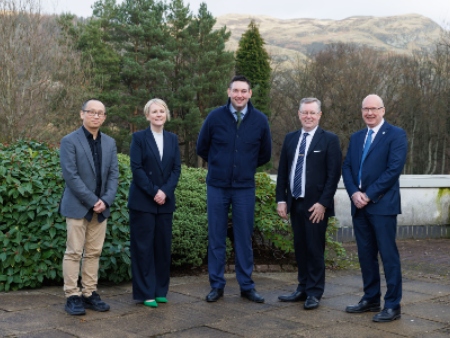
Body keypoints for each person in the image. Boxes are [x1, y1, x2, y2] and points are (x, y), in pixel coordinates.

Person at [196, 75, 272, 303]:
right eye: (236, 90)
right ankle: (216, 286)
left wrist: (244, 167)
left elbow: (265, 154)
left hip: (244, 188)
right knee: (217, 237)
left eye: (244, 91)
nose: (240, 95)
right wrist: (221, 165)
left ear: (250, 94)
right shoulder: (214, 117)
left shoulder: (260, 120)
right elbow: (202, 147)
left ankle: (246, 286)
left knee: (243, 238)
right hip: (217, 187)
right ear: (229, 92)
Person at [342, 94, 407, 322]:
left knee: (388, 256)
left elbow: (393, 169)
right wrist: (354, 193)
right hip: (358, 206)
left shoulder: (396, 135)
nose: (370, 113)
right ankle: (370, 299)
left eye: (374, 109)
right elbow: (347, 167)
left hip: (382, 206)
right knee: (365, 255)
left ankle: (392, 305)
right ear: (361, 111)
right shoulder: (357, 136)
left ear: (383, 110)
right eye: (365, 109)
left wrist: (368, 195)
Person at [275, 97, 342, 310]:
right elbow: (283, 172)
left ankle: (314, 292)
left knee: (314, 249)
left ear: (320, 115)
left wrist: (323, 203)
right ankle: (302, 287)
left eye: (313, 113)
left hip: (316, 207)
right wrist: (281, 200)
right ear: (299, 114)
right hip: (295, 203)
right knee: (301, 248)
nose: (308, 116)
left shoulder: (330, 140)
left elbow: (334, 175)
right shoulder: (290, 138)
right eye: (305, 112)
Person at [59, 99, 119, 315]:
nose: (96, 116)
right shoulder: (69, 141)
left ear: (104, 117)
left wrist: (106, 200)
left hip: (102, 208)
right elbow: (71, 176)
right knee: (74, 252)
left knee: (94, 253)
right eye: (91, 112)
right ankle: (72, 295)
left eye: (100, 113)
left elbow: (113, 175)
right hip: (77, 206)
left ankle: (89, 293)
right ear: (81, 114)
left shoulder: (110, 143)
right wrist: (93, 200)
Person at [128, 98, 181, 308]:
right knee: (143, 249)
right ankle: (145, 292)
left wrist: (165, 192)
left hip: (165, 203)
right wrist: (154, 192)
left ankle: (160, 290)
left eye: (162, 111)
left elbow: (176, 169)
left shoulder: (173, 139)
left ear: (166, 114)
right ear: (147, 115)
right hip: (143, 201)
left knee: (162, 247)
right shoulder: (139, 138)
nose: (158, 115)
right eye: (154, 112)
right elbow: (137, 168)